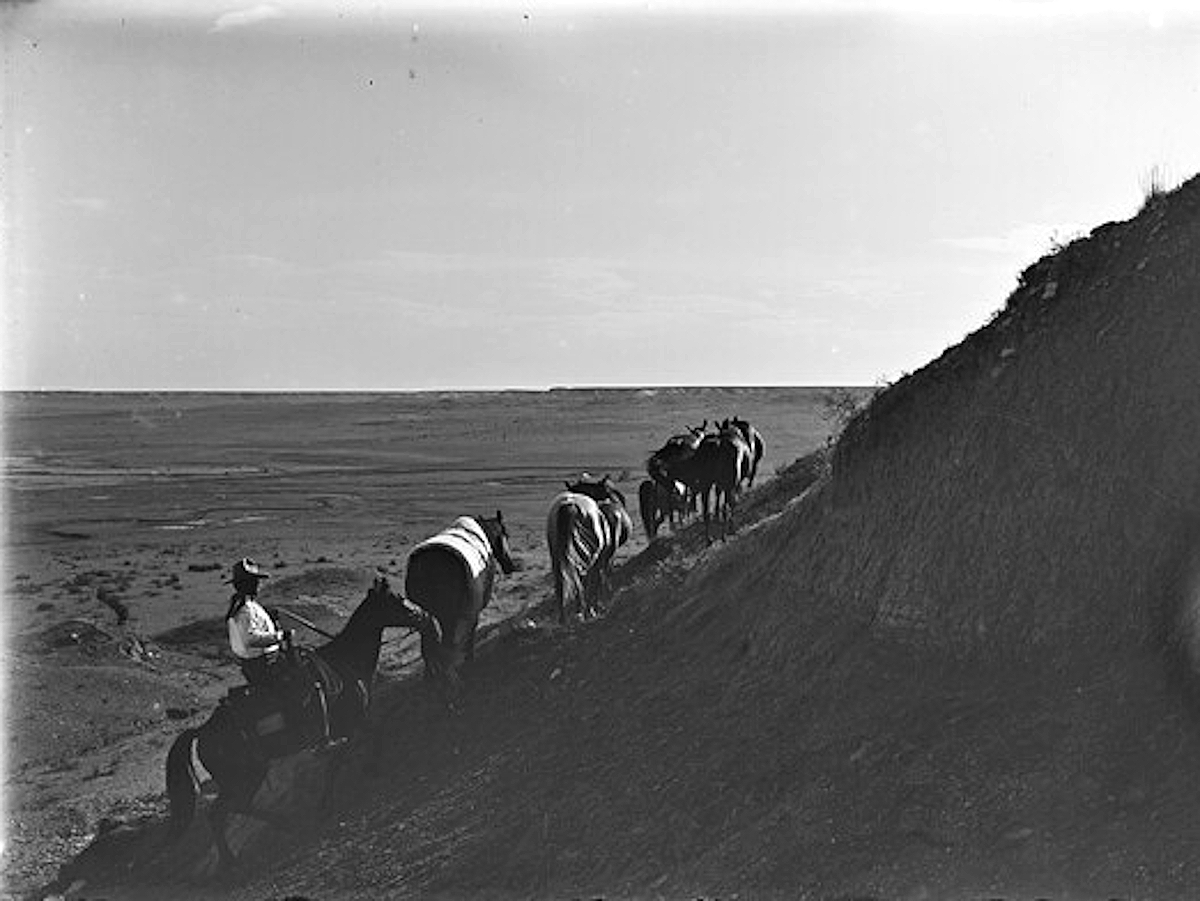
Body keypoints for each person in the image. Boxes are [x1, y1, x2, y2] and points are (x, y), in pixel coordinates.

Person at [223, 557, 336, 749]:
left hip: (264, 660)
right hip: (264, 665)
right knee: (311, 686)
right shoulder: (245, 611)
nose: (258, 584)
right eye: (255, 581)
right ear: (248, 583)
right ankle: (320, 740)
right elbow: (250, 640)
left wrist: (272, 626)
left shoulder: (248, 606)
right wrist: (279, 636)